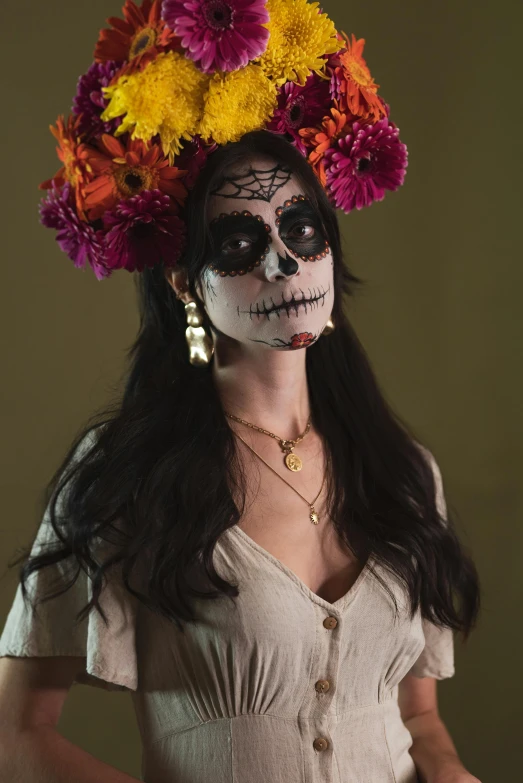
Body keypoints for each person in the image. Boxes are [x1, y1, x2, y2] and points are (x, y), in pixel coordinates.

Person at [0, 2, 481, 782]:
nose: (285, 264)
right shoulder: (125, 473)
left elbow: (418, 713)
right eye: (239, 242)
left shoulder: (401, 470)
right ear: (187, 281)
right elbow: (15, 736)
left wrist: (451, 768)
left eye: (301, 230)